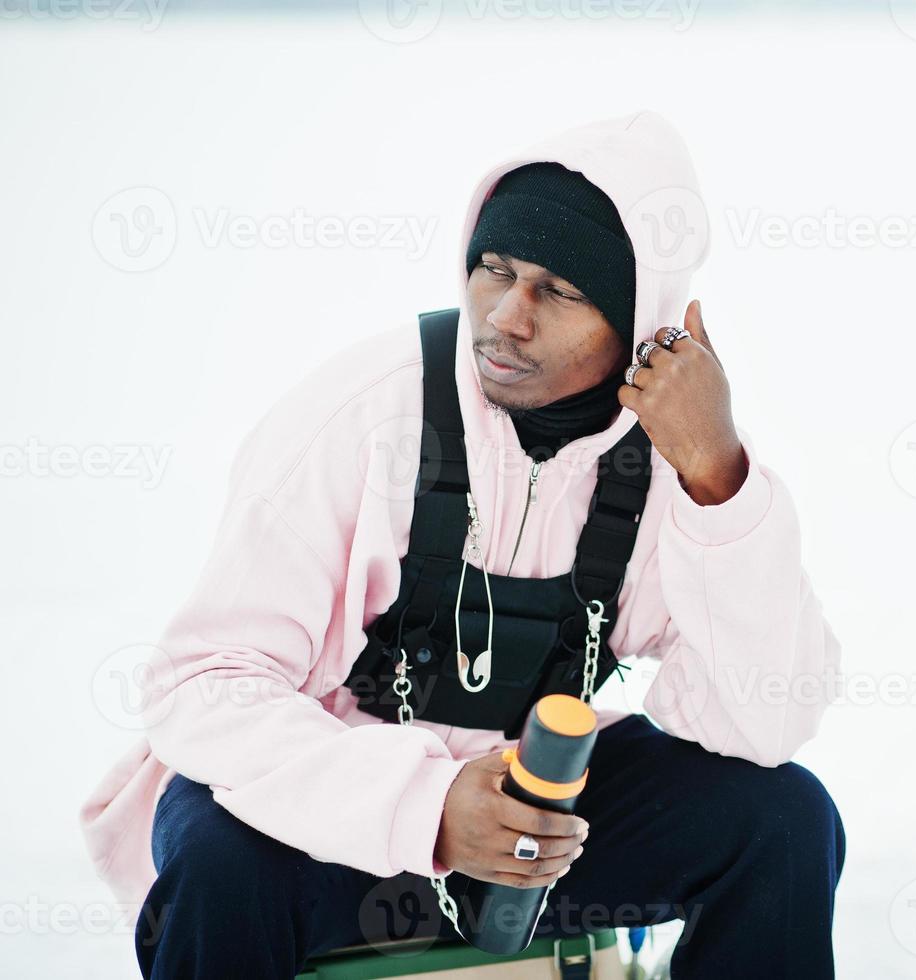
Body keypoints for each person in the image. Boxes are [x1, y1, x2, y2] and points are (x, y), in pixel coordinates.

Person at [78, 109, 845, 979]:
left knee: (783, 820)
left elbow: (764, 721)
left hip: (541, 827)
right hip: (327, 812)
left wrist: (719, 479)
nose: (506, 318)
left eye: (558, 291)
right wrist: (430, 805)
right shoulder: (363, 416)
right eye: (495, 269)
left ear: (637, 316)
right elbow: (201, 687)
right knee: (219, 865)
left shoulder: (671, 454)